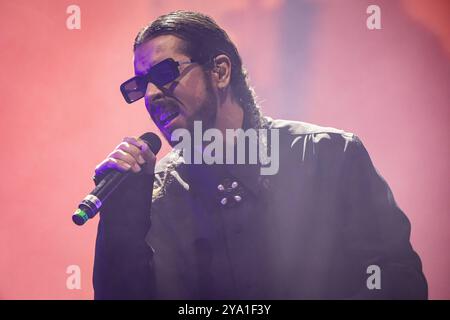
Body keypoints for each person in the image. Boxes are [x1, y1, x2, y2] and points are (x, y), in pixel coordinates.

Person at [92, 11, 427, 299]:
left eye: (164, 74)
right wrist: (121, 216)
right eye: (140, 85)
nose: (150, 94)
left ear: (220, 71)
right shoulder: (153, 196)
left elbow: (399, 280)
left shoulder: (329, 156)